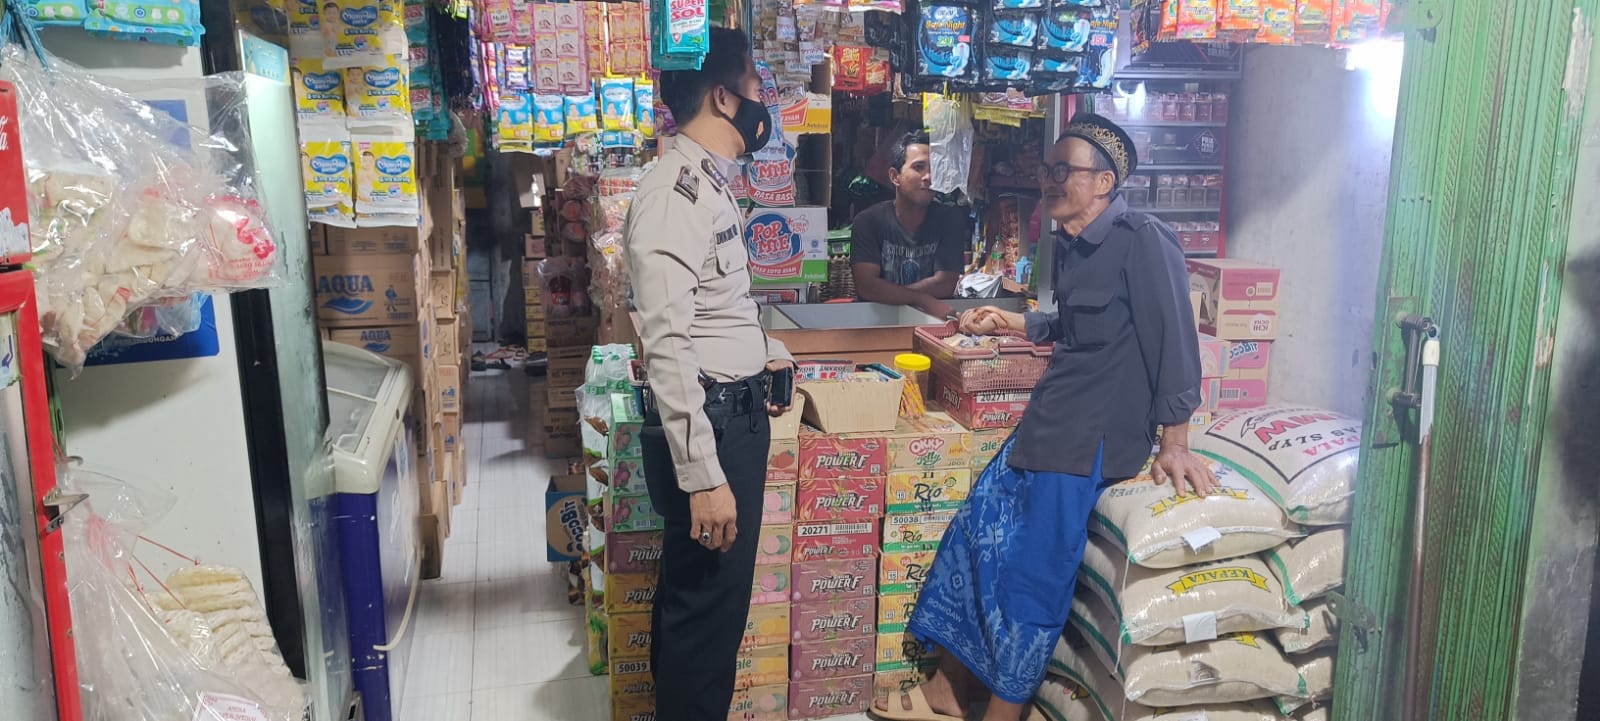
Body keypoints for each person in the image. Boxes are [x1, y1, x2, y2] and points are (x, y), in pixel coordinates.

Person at [872, 114, 1219, 721]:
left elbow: (1175, 338)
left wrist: (1176, 439)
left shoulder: (1143, 238)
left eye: (1065, 170)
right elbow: (1075, 324)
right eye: (1048, 169)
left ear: (1104, 182)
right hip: (1049, 420)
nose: (1050, 180)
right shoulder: (1073, 246)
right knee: (974, 532)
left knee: (1034, 573)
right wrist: (1013, 321)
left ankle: (1002, 712)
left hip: (1090, 438)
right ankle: (948, 687)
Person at [622, 27, 796, 721]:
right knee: (706, 621)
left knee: (699, 608)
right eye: (755, 83)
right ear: (723, 97)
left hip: (728, 415)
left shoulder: (707, 183)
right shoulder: (675, 192)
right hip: (712, 430)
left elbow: (708, 310)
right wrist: (703, 476)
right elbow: (665, 343)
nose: (763, 98)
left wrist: (763, 353)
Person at [850, 130, 970, 320]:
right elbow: (866, 286)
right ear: (894, 176)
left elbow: (946, 283)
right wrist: (922, 299)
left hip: (932, 324)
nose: (928, 176)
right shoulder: (868, 222)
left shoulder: (950, 219)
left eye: (934, 168)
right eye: (919, 167)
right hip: (875, 322)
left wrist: (890, 294)